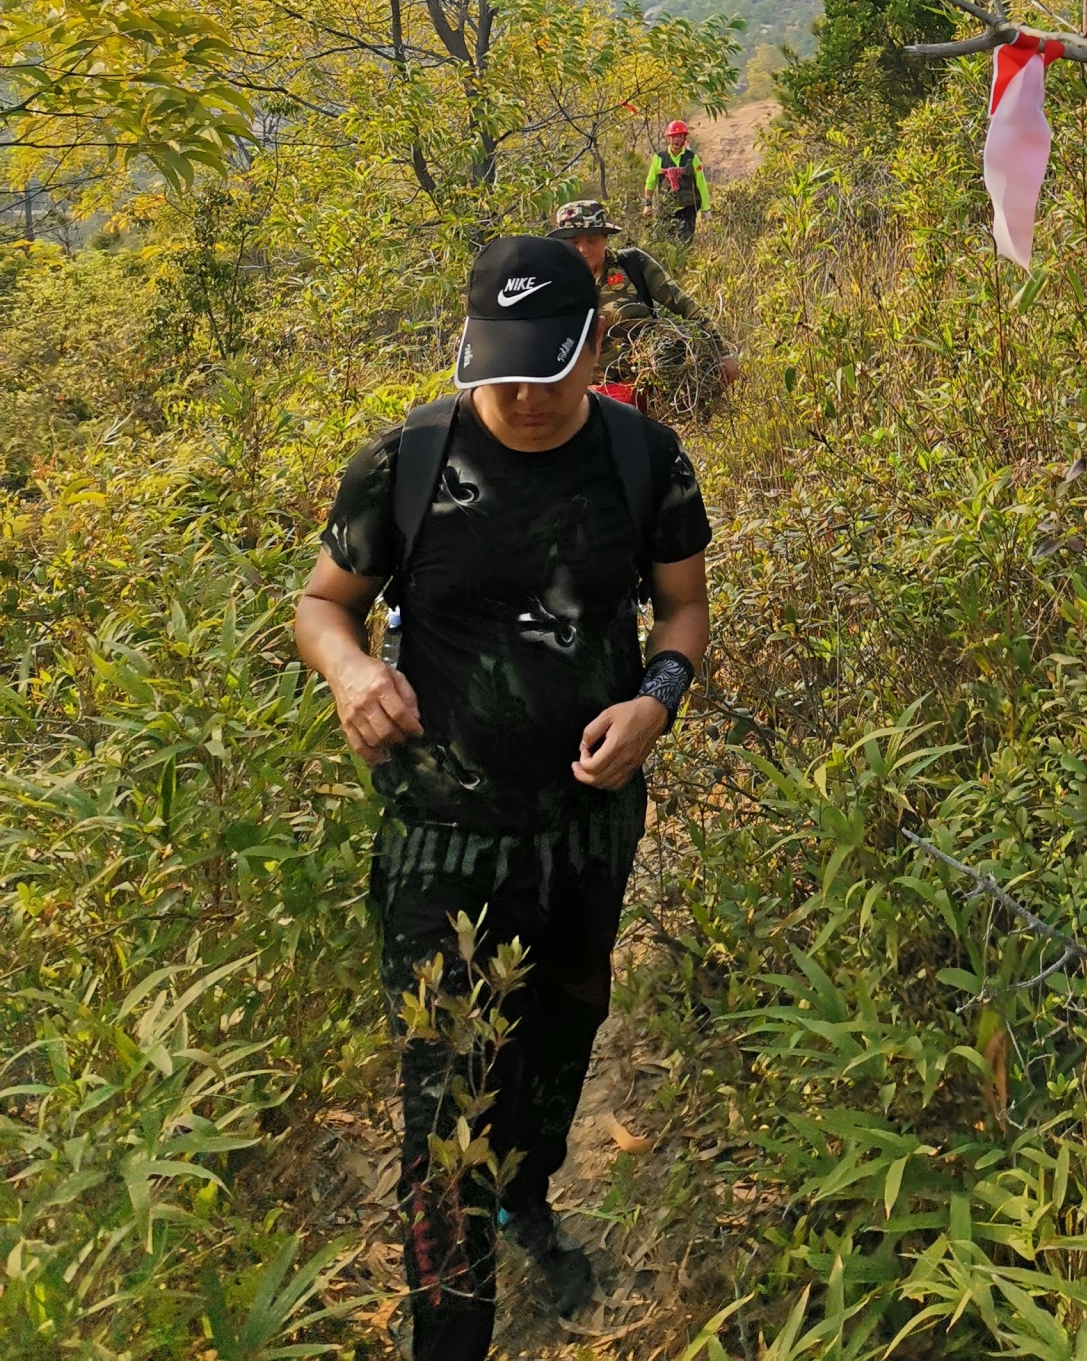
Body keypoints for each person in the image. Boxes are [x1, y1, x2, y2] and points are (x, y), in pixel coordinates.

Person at [294, 236, 711, 1358]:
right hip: (441, 843)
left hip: (585, 831)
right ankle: (451, 1329)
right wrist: (351, 671)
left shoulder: (645, 458)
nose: (521, 393)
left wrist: (656, 702)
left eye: (549, 365)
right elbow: (324, 604)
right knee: (444, 1102)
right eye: (499, 367)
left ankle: (529, 1198)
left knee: (561, 1036)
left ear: (596, 345)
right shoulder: (407, 460)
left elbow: (680, 615)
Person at [551, 196, 735, 417]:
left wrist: (724, 354)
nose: (583, 249)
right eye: (573, 242)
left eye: (592, 240)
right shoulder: (553, 283)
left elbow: (687, 307)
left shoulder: (632, 265)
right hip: (578, 400)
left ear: (606, 238)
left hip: (639, 392)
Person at [643, 120, 709, 243]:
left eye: (680, 136)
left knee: (685, 244)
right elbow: (650, 182)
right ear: (669, 138)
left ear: (684, 138)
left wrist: (706, 209)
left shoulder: (692, 158)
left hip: (688, 208)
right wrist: (647, 205)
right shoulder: (659, 158)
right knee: (664, 244)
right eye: (673, 136)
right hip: (665, 209)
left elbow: (701, 183)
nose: (676, 139)